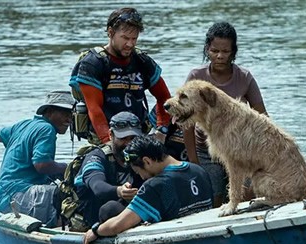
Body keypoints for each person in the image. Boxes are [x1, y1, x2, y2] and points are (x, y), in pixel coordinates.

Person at [183, 22, 269, 208]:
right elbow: (186, 122)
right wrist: (194, 162)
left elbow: (263, 118)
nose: (220, 56)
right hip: (208, 151)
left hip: (241, 149)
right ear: (207, 49)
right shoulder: (196, 77)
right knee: (214, 195)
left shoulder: (244, 77)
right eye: (214, 51)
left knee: (248, 195)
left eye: (225, 51)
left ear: (233, 51)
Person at [83, 135, 213, 244]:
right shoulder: (199, 170)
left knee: (110, 209)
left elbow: (117, 225)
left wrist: (95, 230)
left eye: (139, 172)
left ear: (147, 161)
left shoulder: (156, 185)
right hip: (203, 234)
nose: (142, 177)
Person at [69, 7, 171, 145]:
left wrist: (161, 129)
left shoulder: (142, 61)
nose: (130, 44)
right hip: (107, 134)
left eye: (134, 39)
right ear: (111, 33)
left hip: (138, 132)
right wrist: (108, 143)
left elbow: (164, 98)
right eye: (125, 38)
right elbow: (95, 109)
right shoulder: (93, 63)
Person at [0, 91, 75, 227]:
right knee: (67, 195)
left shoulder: (24, 124)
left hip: (2, 193)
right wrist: (68, 168)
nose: (69, 119)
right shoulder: (47, 129)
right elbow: (41, 165)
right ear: (49, 112)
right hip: (17, 195)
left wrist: (20, 150)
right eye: (64, 113)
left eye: (71, 114)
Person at [72, 111, 145, 231]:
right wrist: (120, 191)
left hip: (124, 216)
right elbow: (97, 187)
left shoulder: (141, 157)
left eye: (133, 138)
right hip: (91, 219)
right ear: (111, 135)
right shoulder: (96, 157)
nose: (128, 143)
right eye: (123, 138)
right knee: (111, 208)